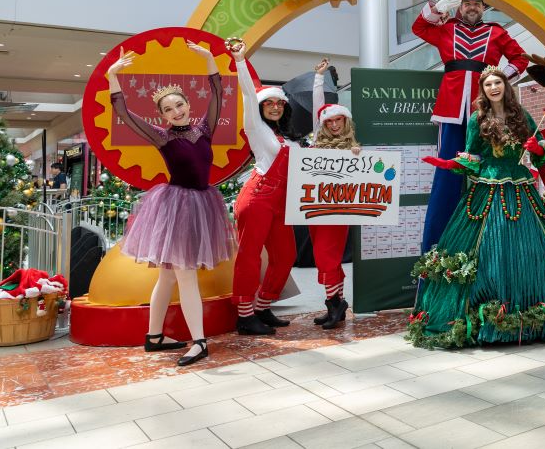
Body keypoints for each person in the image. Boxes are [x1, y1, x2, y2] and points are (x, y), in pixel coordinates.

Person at [408, 67, 545, 349]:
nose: (494, 87)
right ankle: (486, 315)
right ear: (483, 90)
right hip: (487, 187)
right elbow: (473, 155)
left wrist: (538, 150)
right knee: (487, 248)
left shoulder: (520, 114)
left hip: (520, 186)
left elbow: (540, 156)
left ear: (505, 86)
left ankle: (534, 314)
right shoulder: (477, 119)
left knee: (530, 250)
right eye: (488, 84)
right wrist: (453, 164)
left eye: (498, 82)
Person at [107, 42, 235, 367]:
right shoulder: (162, 137)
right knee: (184, 275)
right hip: (175, 209)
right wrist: (113, 75)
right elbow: (122, 111)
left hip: (201, 206)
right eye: (169, 109)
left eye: (180, 105)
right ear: (162, 116)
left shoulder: (205, 129)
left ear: (187, 104)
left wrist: (208, 58)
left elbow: (217, 92)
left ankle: (154, 337)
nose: (176, 111)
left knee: (168, 277)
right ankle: (199, 342)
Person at [413, 0, 528, 252]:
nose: (472, 7)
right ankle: (436, 250)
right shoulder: (445, 28)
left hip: (486, 114)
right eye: (467, 3)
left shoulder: (497, 32)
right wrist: (437, 9)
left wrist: (502, 79)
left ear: (484, 6)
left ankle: (490, 248)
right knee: (447, 179)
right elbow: (418, 28)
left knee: (488, 174)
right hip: (451, 113)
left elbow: (521, 59)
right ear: (460, 6)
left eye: (477, 3)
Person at [230, 42, 300, 336]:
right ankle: (245, 316)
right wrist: (240, 60)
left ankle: (262, 306)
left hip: (282, 202)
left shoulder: (289, 138)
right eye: (269, 103)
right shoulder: (256, 128)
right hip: (258, 198)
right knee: (250, 255)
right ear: (260, 107)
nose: (274, 106)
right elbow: (247, 92)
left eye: (279, 103)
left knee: (286, 256)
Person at [306, 57, 360, 329]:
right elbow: (319, 107)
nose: (335, 125)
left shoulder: (352, 145)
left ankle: (336, 305)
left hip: (338, 210)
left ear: (345, 121)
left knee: (329, 257)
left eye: (339, 120)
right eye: (331, 121)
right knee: (321, 257)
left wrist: (356, 157)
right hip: (316, 208)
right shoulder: (317, 140)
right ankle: (335, 303)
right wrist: (319, 78)